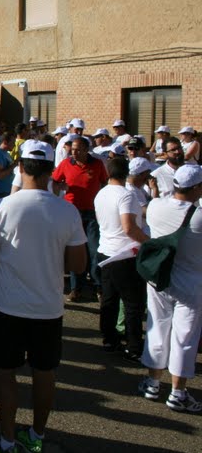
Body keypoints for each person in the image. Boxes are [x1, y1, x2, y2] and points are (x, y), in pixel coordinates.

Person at [0, 140, 88, 453]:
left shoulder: (2, 207)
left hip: (7, 304)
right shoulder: (67, 210)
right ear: (52, 171)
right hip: (48, 307)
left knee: (4, 372)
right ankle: (36, 437)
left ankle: (6, 441)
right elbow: (78, 265)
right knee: (44, 372)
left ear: (21, 167)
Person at [139, 165, 202, 412]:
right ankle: (178, 392)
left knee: (156, 327)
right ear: (196, 187)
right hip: (191, 283)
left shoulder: (155, 206)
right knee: (184, 338)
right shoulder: (198, 216)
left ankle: (152, 382)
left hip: (159, 278)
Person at [94, 157, 149, 360]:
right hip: (125, 254)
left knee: (109, 299)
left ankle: (109, 340)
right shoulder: (126, 196)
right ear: (126, 173)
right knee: (133, 303)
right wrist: (150, 243)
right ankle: (134, 346)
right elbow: (129, 228)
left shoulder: (101, 193)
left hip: (106, 250)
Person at [52, 135, 108, 302]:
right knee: (75, 249)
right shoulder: (65, 164)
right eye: (72, 149)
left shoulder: (97, 164)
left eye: (77, 150)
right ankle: (76, 288)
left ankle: (98, 286)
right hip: (72, 213)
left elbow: (104, 183)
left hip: (92, 214)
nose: (73, 153)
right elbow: (54, 181)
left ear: (86, 150)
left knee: (94, 250)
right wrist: (59, 189)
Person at [0, 132, 16, 200]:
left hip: (8, 191)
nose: (14, 145)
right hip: (1, 193)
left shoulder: (6, 153)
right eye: (13, 142)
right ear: (5, 142)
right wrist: (14, 164)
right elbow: (0, 175)